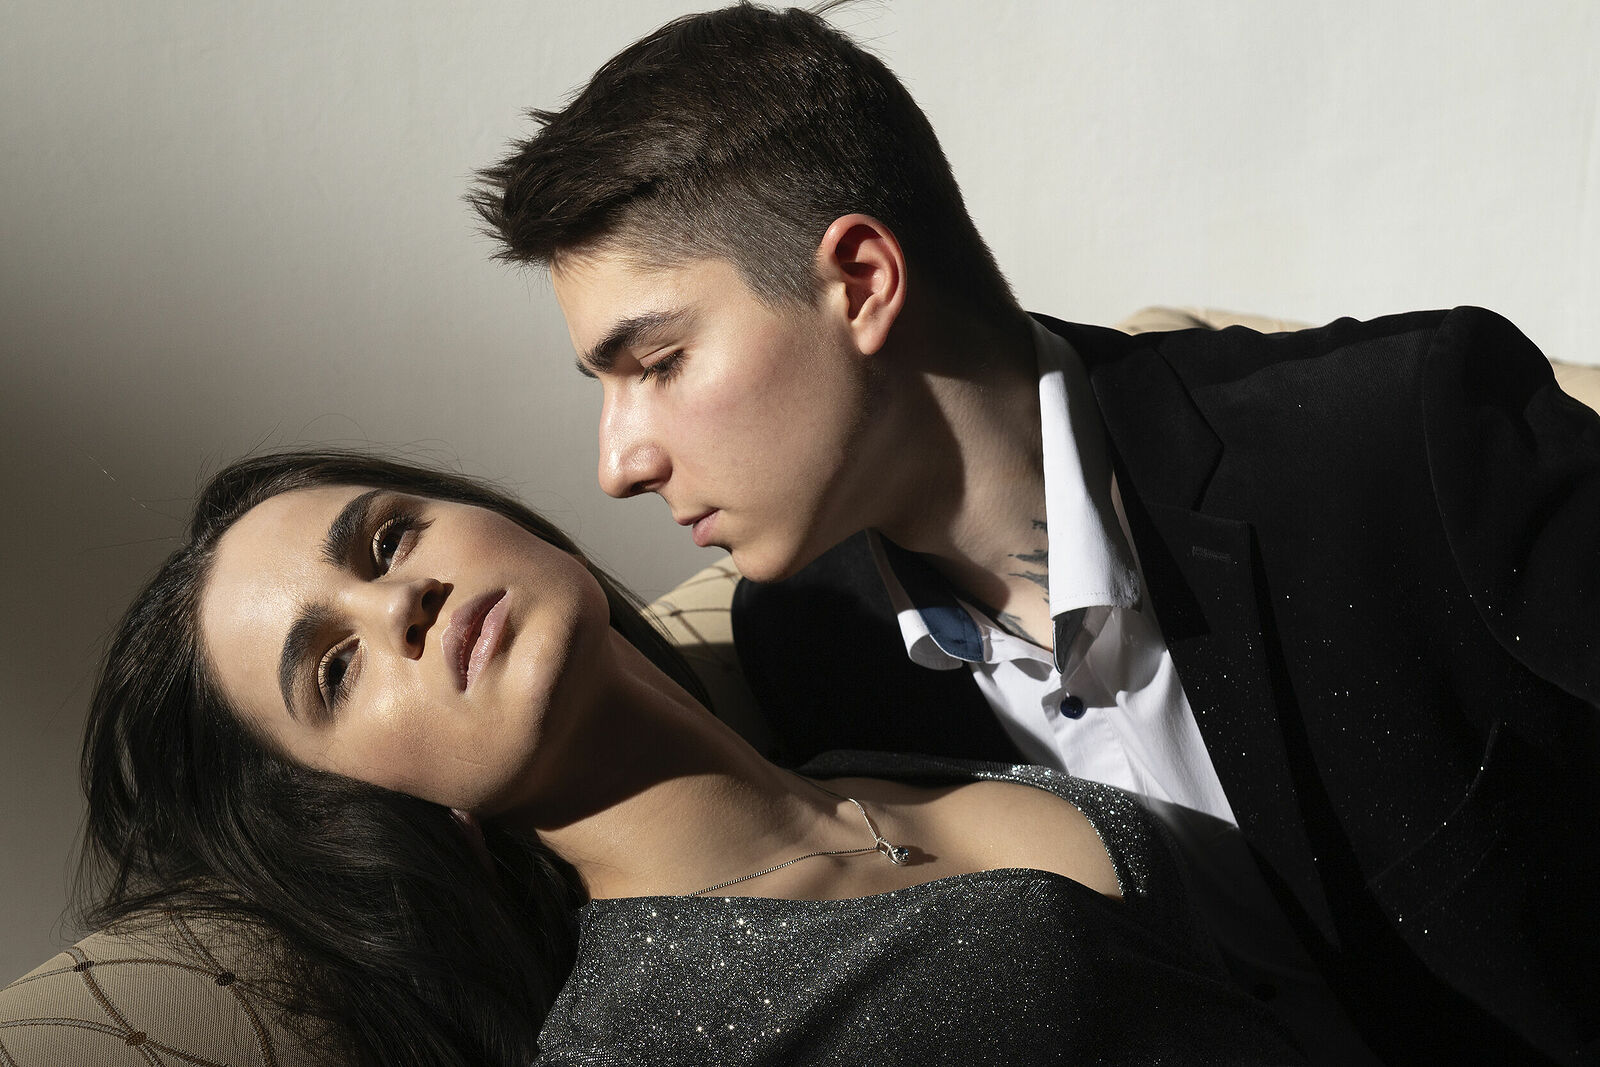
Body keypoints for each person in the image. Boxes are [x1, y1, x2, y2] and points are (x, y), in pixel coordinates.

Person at [469, 4, 1600, 1063]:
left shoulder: (1402, 433)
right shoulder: (808, 645)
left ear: (861, 280)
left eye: (659, 363)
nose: (618, 463)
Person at [80, 449, 1303, 1067]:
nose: (400, 599)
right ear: (360, 804)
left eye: (388, 538)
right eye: (335, 669)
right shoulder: (637, 1044)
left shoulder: (880, 733)